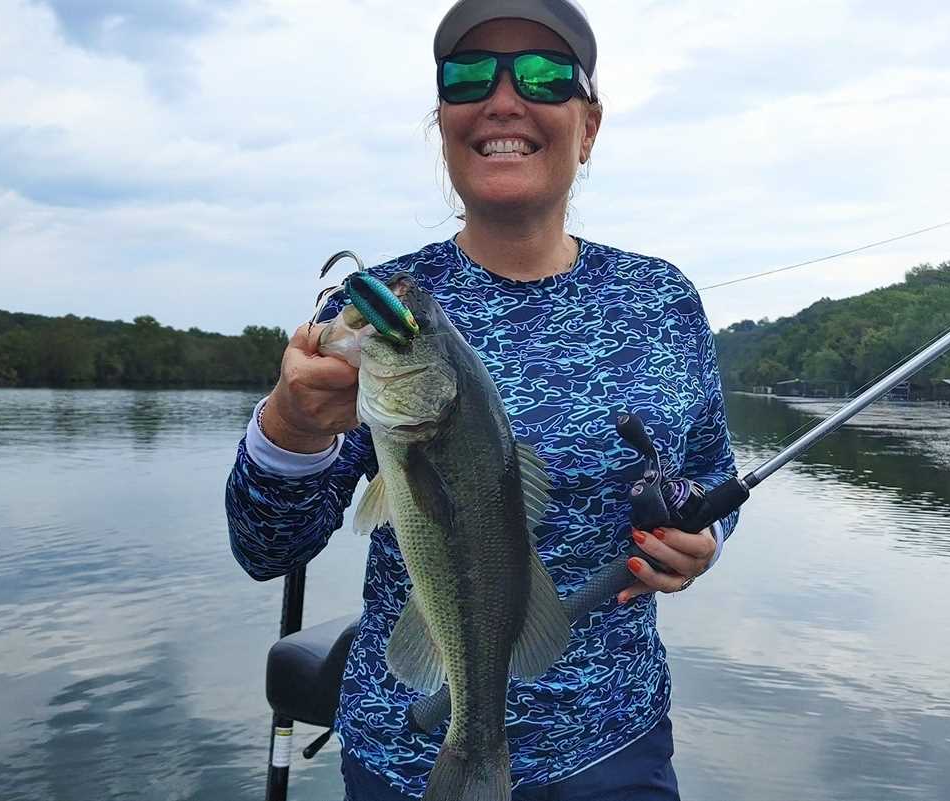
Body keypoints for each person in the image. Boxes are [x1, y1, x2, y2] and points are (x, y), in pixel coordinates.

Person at [225, 1, 740, 797]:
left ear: (589, 124)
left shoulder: (662, 299)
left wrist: (702, 532)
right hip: (407, 755)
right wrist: (290, 428)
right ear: (443, 123)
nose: (503, 99)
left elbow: (712, 473)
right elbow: (266, 549)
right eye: (468, 77)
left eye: (541, 73)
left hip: (615, 743)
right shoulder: (376, 315)